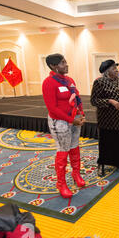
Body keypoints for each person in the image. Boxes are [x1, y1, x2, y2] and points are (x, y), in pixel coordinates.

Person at [42, 53, 86, 199]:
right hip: (59, 122)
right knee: (63, 151)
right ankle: (61, 184)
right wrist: (70, 120)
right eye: (62, 63)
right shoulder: (49, 83)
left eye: (65, 61)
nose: (66, 64)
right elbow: (52, 108)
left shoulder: (69, 80)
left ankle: (76, 174)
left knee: (74, 146)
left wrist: (81, 113)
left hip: (74, 118)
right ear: (53, 66)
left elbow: (77, 96)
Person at [91, 60, 119, 176]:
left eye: (116, 68)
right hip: (107, 120)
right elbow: (94, 101)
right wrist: (109, 101)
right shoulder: (99, 82)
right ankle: (101, 164)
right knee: (106, 142)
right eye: (113, 68)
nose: (117, 70)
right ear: (107, 72)